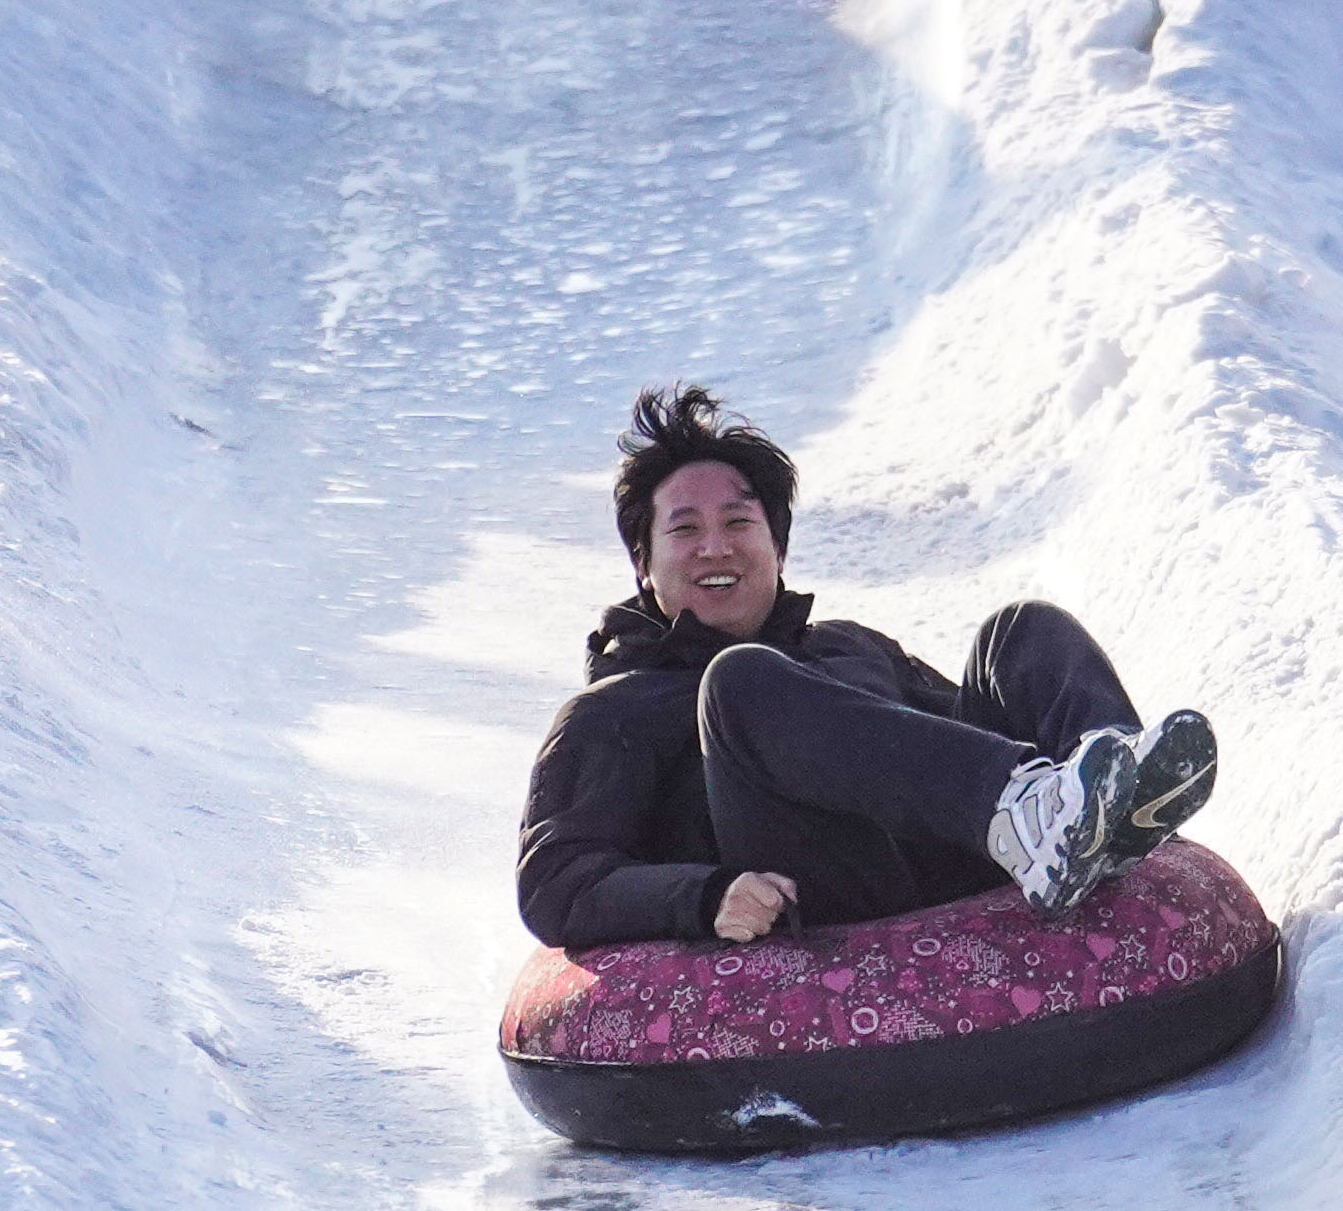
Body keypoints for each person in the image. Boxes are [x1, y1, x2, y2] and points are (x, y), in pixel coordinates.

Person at [516, 386, 1219, 951]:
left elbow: (949, 749)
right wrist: (702, 894)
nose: (715, 548)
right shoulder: (616, 708)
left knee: (1023, 630)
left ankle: (1115, 816)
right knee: (738, 681)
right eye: (684, 530)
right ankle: (1029, 816)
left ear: (778, 549)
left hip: (943, 866)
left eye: (738, 524)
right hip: (826, 893)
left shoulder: (848, 647)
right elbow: (555, 880)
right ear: (644, 565)